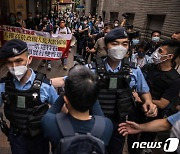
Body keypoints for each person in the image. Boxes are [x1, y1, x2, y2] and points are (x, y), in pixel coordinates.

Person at [88, 28, 157, 154]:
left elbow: (144, 91)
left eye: (124, 44)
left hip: (120, 123)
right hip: (94, 121)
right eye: (115, 43)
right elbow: (68, 83)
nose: (120, 47)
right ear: (106, 46)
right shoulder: (90, 70)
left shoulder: (134, 71)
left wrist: (149, 102)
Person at [0, 39, 59, 154]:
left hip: (39, 138)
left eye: (19, 61)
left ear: (29, 59)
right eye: (9, 62)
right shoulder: (3, 86)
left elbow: (60, 109)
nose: (14, 66)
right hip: (17, 138)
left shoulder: (44, 86)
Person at [41, 65, 113, 153]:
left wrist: (63, 94)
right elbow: (100, 116)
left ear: (66, 99)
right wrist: (89, 90)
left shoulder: (51, 123)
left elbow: (50, 113)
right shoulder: (107, 126)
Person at [143, 40, 180, 117]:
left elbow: (162, 104)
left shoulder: (175, 79)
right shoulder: (148, 67)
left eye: (160, 51)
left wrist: (144, 99)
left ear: (170, 56)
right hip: (136, 109)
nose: (156, 53)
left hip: (153, 115)